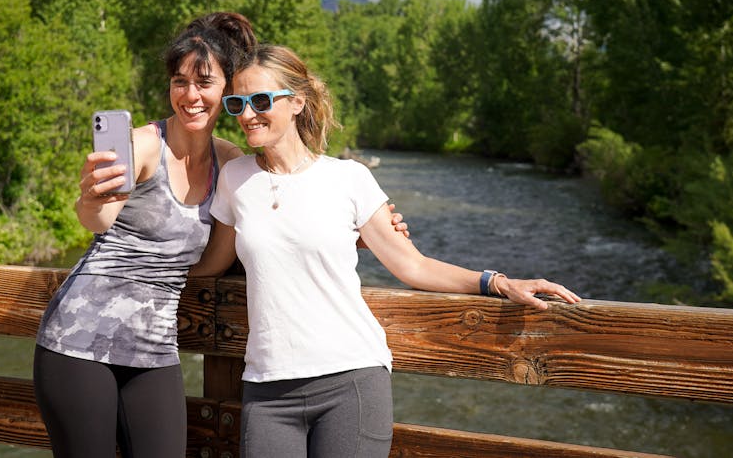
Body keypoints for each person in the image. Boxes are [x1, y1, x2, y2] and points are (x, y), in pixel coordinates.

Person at [33, 14, 407, 458]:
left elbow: (256, 228)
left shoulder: (230, 163)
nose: (190, 95)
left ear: (226, 91)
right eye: (179, 81)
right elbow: (96, 221)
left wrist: (351, 230)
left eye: (204, 82)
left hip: (154, 348)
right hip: (79, 340)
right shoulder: (143, 146)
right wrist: (91, 197)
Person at [190, 44, 582, 458]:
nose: (248, 114)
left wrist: (496, 282)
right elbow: (212, 263)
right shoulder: (235, 178)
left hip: (350, 381)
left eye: (262, 100)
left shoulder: (348, 178)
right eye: (238, 103)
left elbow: (411, 265)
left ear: (297, 102)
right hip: (268, 387)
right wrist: (139, 264)